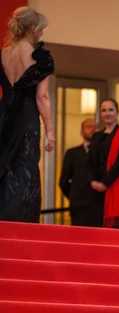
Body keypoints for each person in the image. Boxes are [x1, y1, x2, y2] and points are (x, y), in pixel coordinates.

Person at [0, 7, 55, 223]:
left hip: (4, 116)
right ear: (33, 28)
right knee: (25, 170)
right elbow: (42, 97)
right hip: (26, 118)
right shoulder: (40, 56)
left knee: (4, 167)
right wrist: (50, 131)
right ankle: (21, 225)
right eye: (41, 29)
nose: (41, 34)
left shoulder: (3, 54)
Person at [87, 98, 119, 228]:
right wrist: (93, 182)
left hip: (116, 187)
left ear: (117, 112)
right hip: (96, 191)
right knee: (97, 231)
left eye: (111, 110)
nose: (107, 113)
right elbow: (89, 162)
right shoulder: (96, 136)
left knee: (116, 232)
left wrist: (105, 183)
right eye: (104, 110)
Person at [59, 119, 98, 226]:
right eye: (89, 127)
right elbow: (63, 181)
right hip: (79, 204)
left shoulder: (103, 152)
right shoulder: (72, 153)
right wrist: (74, 196)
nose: (92, 130)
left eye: (95, 127)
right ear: (82, 132)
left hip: (99, 204)